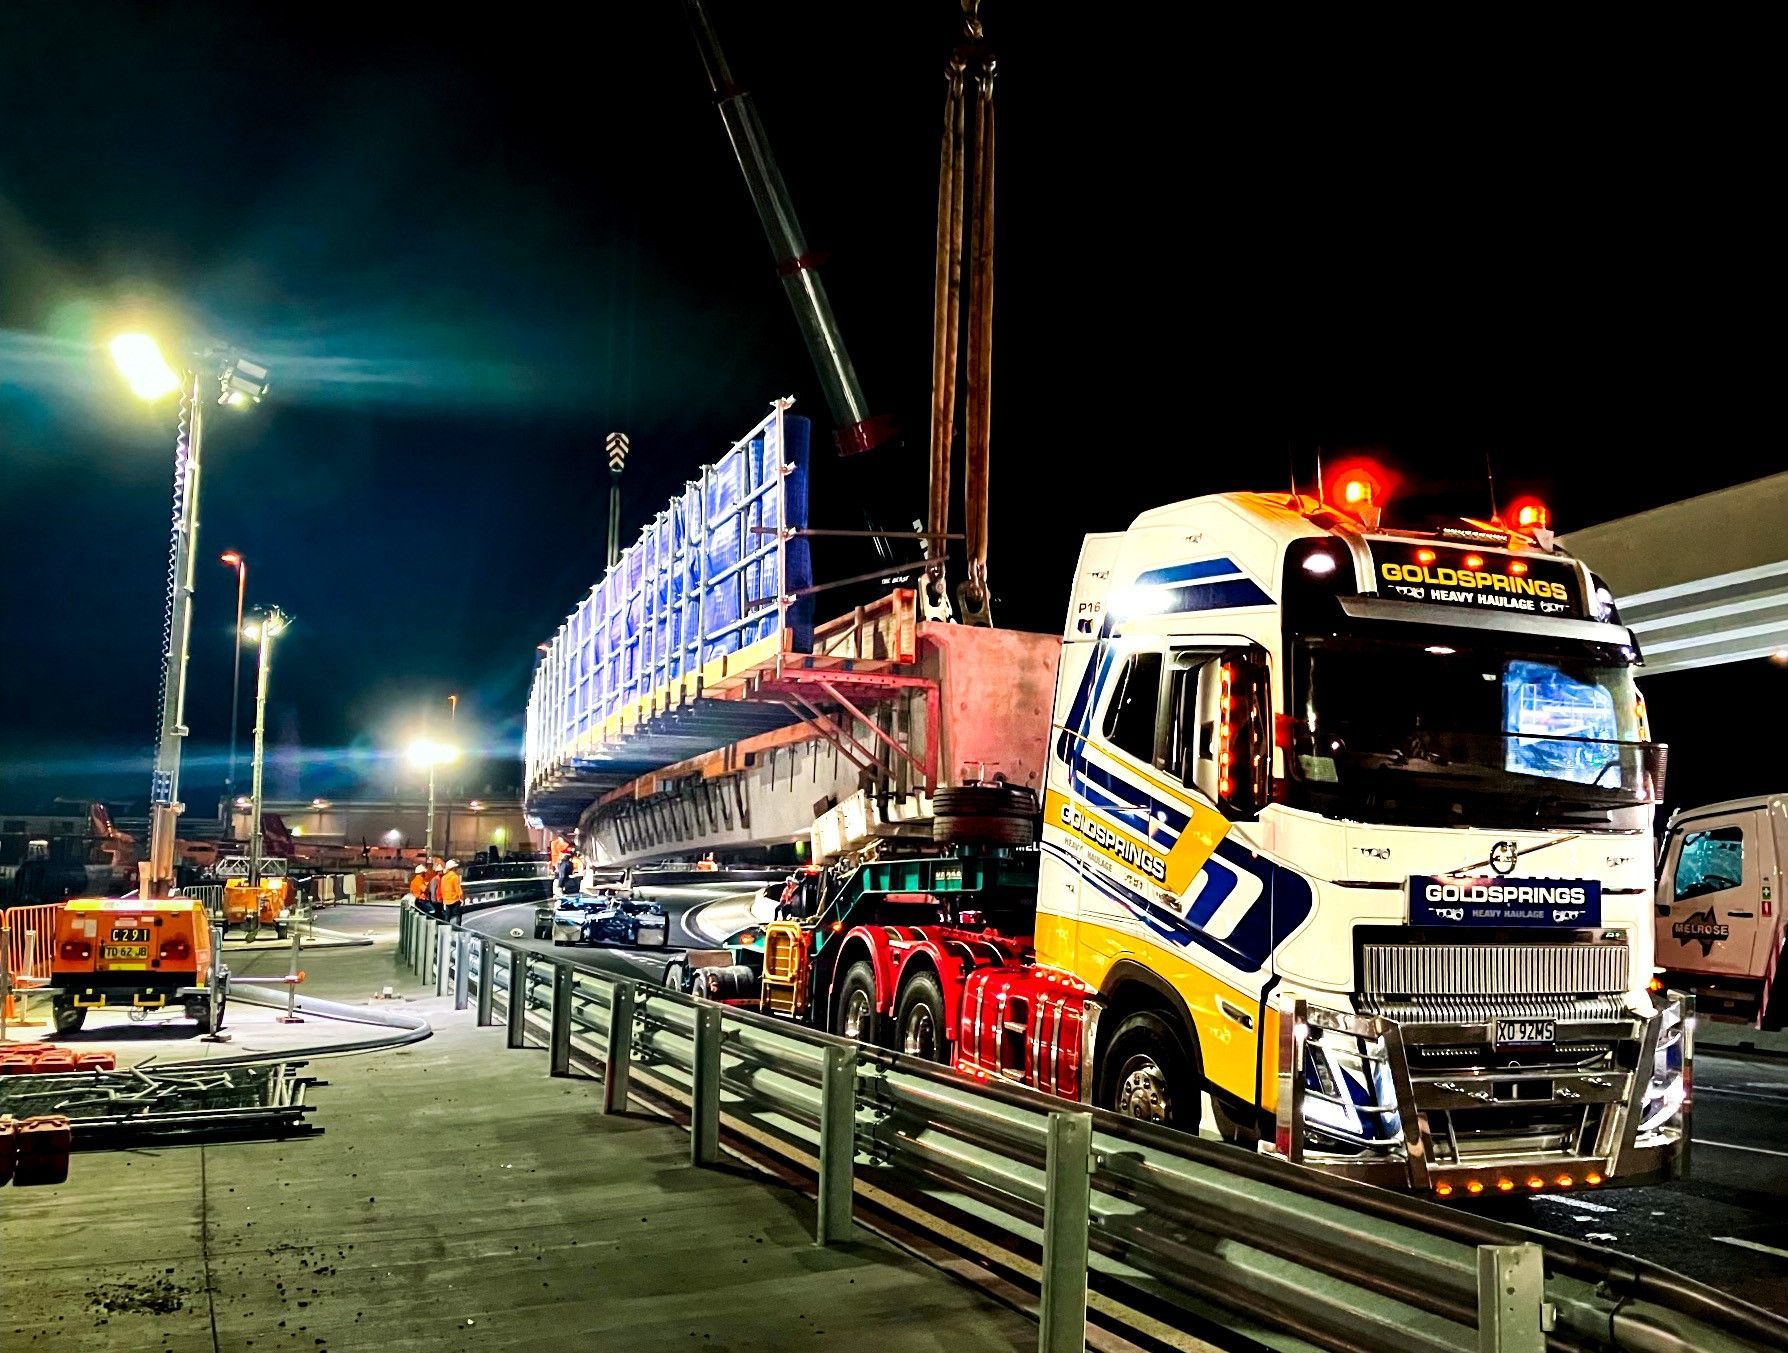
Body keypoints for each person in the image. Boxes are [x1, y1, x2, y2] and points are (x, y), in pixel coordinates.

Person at [439, 858, 465, 925]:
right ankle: (457, 928)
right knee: (457, 915)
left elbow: (442, 889)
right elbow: (458, 889)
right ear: (453, 868)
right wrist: (462, 898)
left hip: (446, 900)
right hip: (455, 900)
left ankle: (446, 929)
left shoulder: (443, 878)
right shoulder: (455, 877)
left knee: (447, 916)